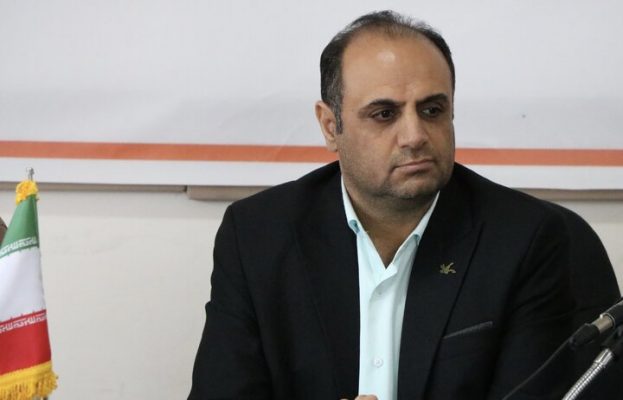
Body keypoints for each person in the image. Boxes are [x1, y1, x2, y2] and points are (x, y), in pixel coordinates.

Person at [188, 10, 618, 399]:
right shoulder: (258, 236)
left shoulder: (524, 239)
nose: (414, 136)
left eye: (432, 110)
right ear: (330, 126)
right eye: (384, 114)